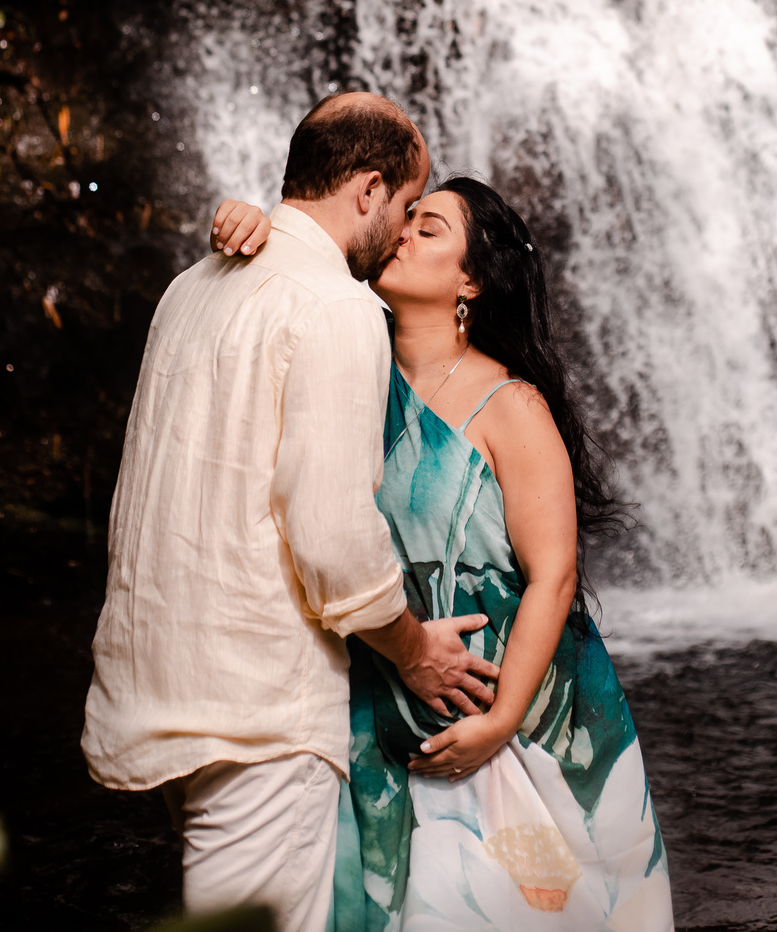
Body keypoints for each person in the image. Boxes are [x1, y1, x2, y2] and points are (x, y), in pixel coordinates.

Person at [81, 94, 499, 932]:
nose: (405, 227)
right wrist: (415, 651)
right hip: (259, 708)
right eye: (409, 207)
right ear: (370, 189)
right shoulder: (337, 309)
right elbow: (332, 538)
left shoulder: (187, 289)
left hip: (162, 686)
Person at [221, 175, 673, 930]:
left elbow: (553, 576)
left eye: (427, 228)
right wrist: (249, 228)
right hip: (386, 686)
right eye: (404, 218)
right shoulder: (350, 375)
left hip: (508, 702)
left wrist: (498, 723)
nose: (399, 231)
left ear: (472, 278)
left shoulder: (512, 405)